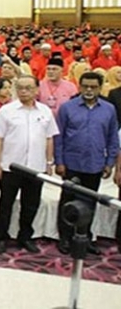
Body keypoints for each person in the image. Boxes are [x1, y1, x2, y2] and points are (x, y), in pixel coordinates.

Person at [0, 75, 59, 255]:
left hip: (36, 167)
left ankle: (25, 236)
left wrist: (49, 163)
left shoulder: (45, 111)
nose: (23, 91)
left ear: (37, 90)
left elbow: (49, 138)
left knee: (31, 205)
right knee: (5, 204)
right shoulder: (6, 111)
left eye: (28, 88)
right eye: (20, 88)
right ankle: (2, 238)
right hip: (10, 166)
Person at [55, 71, 119, 255]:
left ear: (100, 88)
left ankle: (85, 237)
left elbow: (112, 138)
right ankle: (65, 238)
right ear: (79, 86)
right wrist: (59, 162)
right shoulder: (67, 108)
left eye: (93, 87)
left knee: (90, 202)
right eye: (85, 86)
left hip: (95, 164)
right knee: (68, 201)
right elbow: (59, 137)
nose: (89, 90)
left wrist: (109, 163)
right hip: (71, 164)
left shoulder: (109, 109)